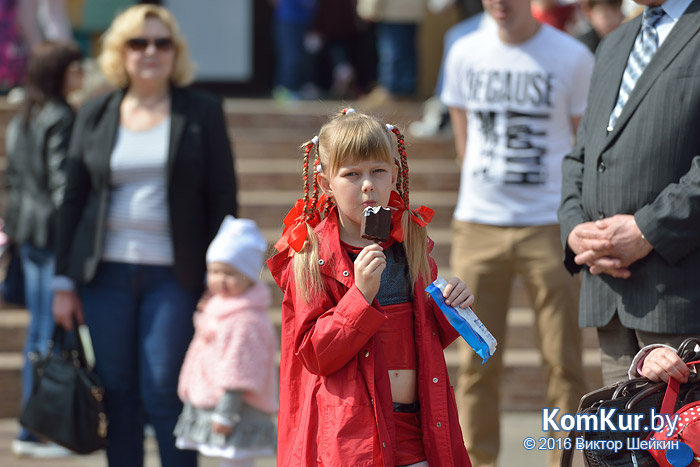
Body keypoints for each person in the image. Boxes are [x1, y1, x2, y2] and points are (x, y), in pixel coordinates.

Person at [51, 4, 238, 467]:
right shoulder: (94, 112)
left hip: (174, 277)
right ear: (120, 52)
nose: (151, 51)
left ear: (175, 52)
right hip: (104, 276)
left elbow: (224, 200)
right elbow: (72, 200)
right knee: (118, 395)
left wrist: (221, 278)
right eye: (139, 42)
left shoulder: (203, 112)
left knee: (163, 390)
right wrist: (62, 281)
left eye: (162, 42)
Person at [267, 108, 474, 467]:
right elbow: (315, 354)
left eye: (378, 170)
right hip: (354, 438)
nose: (367, 184)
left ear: (395, 172)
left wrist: (452, 307)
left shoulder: (409, 242)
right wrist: (359, 296)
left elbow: (422, 336)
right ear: (326, 182)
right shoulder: (311, 255)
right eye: (351, 174)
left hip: (419, 429)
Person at [440, 0, 595, 465]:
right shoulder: (463, 50)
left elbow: (581, 144)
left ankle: (562, 460)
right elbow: (463, 137)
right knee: (474, 359)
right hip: (478, 223)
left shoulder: (572, 56)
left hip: (550, 224)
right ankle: (477, 459)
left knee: (563, 362)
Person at [557, 0, 700, 387]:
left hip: (683, 300)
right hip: (611, 298)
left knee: (684, 445)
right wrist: (574, 231)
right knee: (621, 446)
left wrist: (647, 230)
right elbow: (582, 156)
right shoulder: (615, 42)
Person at [4, 40, 82, 458]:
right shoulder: (61, 116)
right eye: (75, 68)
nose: (81, 75)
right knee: (47, 330)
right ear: (58, 73)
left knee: (39, 329)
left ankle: (32, 427)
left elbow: (12, 179)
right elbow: (60, 186)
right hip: (51, 237)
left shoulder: (22, 117)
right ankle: (35, 430)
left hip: (26, 234)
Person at [175, 216, 277, 467]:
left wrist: (226, 412)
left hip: (237, 409)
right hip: (215, 402)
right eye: (215, 271)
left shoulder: (245, 319)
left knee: (236, 461)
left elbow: (240, 369)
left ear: (249, 277)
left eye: (230, 273)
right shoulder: (219, 307)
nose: (220, 279)